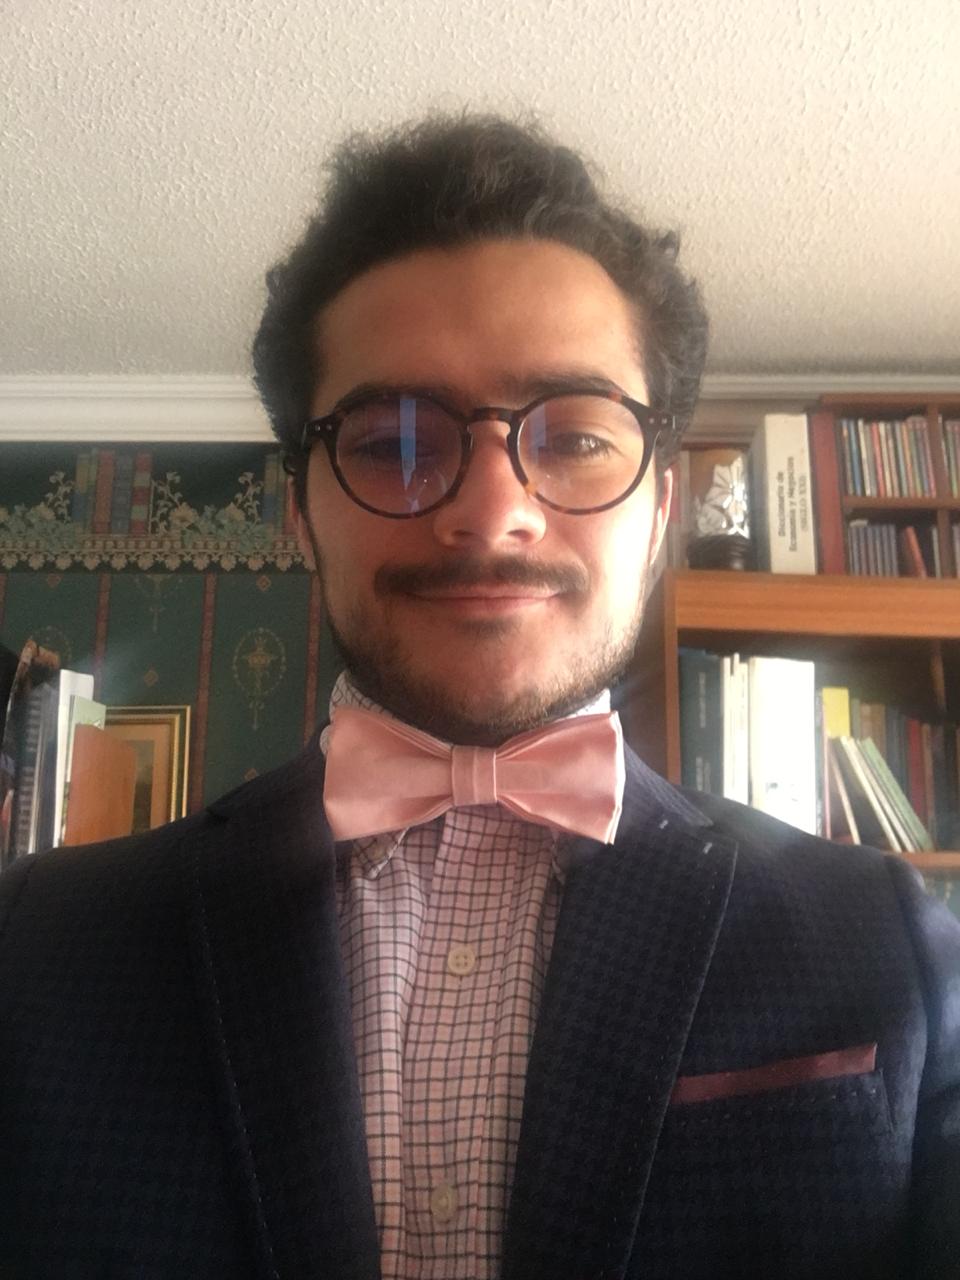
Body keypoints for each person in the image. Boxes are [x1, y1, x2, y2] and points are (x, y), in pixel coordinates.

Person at [1, 114, 958, 1280]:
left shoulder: (892, 944)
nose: (493, 511)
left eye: (577, 436)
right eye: (392, 439)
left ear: (660, 508)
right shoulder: (36, 948)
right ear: (299, 508)